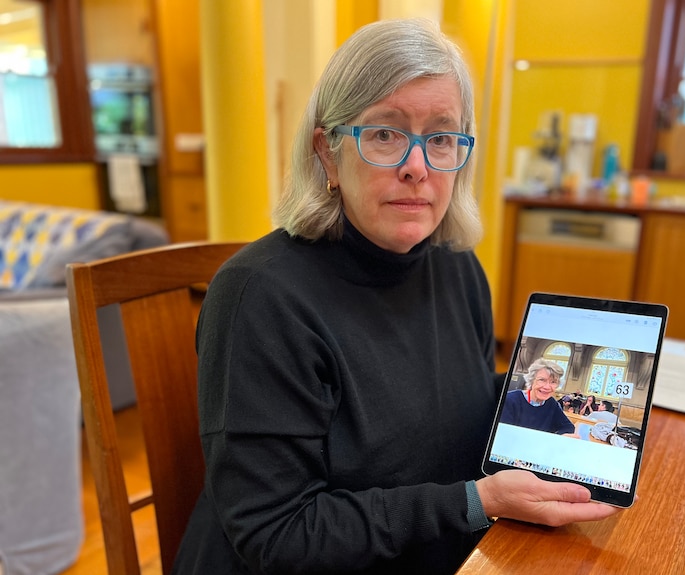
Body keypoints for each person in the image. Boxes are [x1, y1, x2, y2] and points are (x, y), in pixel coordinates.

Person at [171, 18, 619, 575]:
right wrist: (478, 501)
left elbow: (447, 412)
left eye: (441, 137)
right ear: (328, 154)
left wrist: (563, 406)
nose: (417, 166)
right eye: (385, 133)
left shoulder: (457, 266)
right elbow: (277, 533)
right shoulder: (260, 298)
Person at [500, 359, 575, 434]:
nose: (547, 387)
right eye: (542, 380)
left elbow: (568, 427)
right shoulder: (509, 400)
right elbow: (503, 433)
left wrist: (557, 437)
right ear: (531, 380)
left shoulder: (552, 404)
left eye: (553, 382)